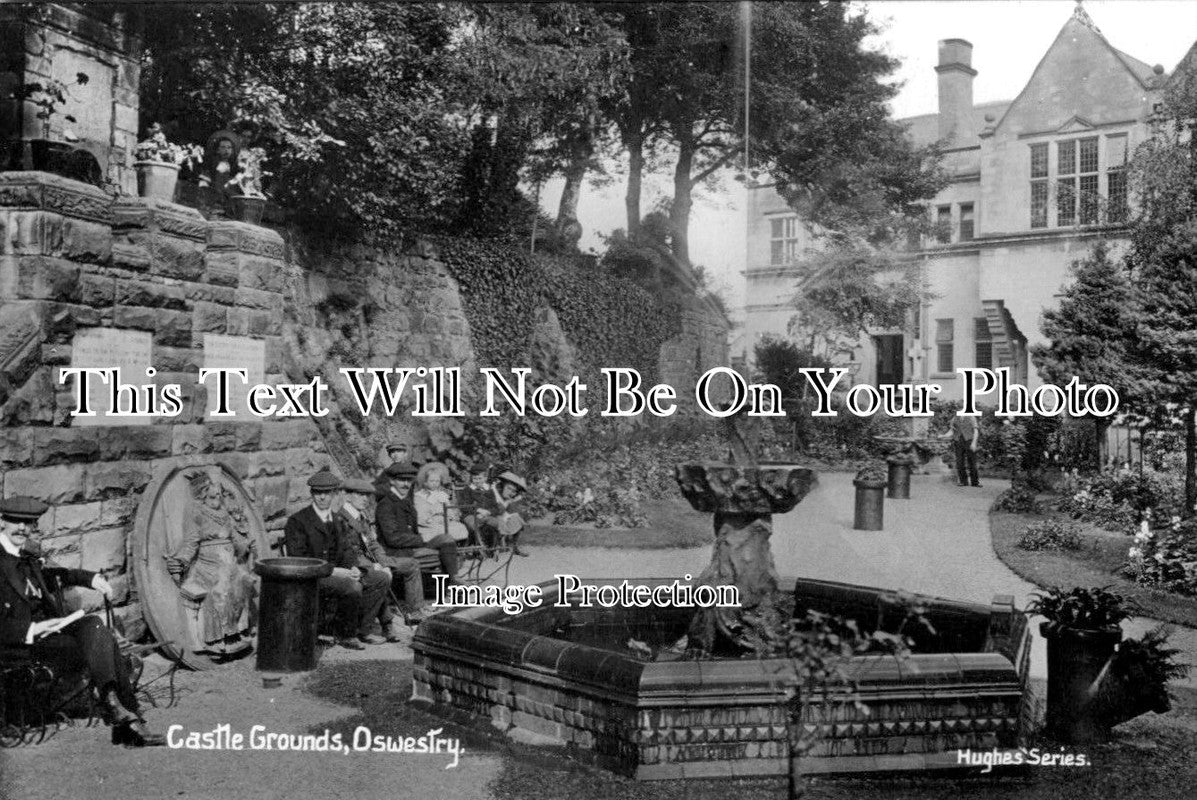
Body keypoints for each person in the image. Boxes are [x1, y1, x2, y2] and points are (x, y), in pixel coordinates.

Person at [0, 496, 165, 747]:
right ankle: (127, 720)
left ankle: (113, 704)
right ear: (1, 521)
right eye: (16, 522)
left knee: (93, 625)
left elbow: (56, 575)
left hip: (51, 635)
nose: (22, 528)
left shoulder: (27, 557)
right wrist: (32, 629)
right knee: (106, 639)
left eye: (28, 522)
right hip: (21, 645)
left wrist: (90, 579)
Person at [283, 470, 380, 649]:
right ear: (312, 494)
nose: (322, 498)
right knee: (352, 586)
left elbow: (345, 550)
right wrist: (333, 570)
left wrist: (353, 567)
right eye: (318, 493)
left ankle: (360, 628)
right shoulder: (298, 521)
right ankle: (346, 635)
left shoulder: (337, 520)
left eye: (327, 493)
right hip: (310, 577)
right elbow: (300, 559)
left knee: (378, 578)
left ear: (334, 494)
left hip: (334, 573)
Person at [164, 469, 256, 657]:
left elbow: (235, 539)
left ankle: (236, 633)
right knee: (220, 587)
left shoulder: (223, 513)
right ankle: (216, 639)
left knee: (241, 580)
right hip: (207, 565)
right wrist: (181, 561)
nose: (217, 498)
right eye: (212, 495)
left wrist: (245, 545)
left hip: (228, 562)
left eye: (218, 495)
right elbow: (190, 542)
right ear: (203, 495)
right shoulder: (196, 512)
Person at [335, 478, 426, 641]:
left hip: (372, 562)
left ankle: (414, 612)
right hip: (355, 566)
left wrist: (382, 562)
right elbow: (348, 553)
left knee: (411, 564)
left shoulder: (360, 516)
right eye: (360, 495)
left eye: (367, 495)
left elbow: (373, 543)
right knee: (382, 577)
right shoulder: (341, 519)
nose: (365, 499)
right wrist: (374, 566)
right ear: (346, 496)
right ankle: (385, 624)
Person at [375, 462, 459, 579]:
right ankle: (449, 582)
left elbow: (413, 529)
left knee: (446, 538)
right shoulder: (386, 505)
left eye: (409, 481)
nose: (406, 484)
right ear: (392, 481)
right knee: (440, 539)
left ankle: (452, 580)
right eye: (401, 480)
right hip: (397, 551)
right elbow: (392, 539)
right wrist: (423, 538)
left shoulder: (406, 501)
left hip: (413, 545)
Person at [412, 462, 470, 545]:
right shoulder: (420, 496)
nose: (435, 483)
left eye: (437, 481)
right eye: (431, 481)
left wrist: (450, 517)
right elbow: (420, 513)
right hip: (429, 523)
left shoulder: (442, 495)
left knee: (460, 527)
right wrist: (430, 520)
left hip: (444, 521)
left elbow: (449, 509)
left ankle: (455, 547)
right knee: (439, 531)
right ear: (425, 482)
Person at [476, 471, 530, 556]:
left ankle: (514, 546)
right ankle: (494, 547)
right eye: (509, 488)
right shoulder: (492, 493)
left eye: (514, 491)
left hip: (500, 517)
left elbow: (507, 511)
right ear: (503, 486)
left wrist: (510, 503)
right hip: (488, 517)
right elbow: (496, 510)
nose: (511, 492)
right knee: (500, 520)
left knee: (517, 518)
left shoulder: (507, 497)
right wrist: (507, 503)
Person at [949, 414, 981, 487]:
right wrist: (943, 435)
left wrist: (974, 443)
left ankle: (975, 482)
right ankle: (963, 482)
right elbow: (952, 431)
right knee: (959, 462)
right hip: (958, 441)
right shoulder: (954, 418)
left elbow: (976, 431)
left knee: (972, 462)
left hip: (969, 441)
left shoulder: (971, 417)